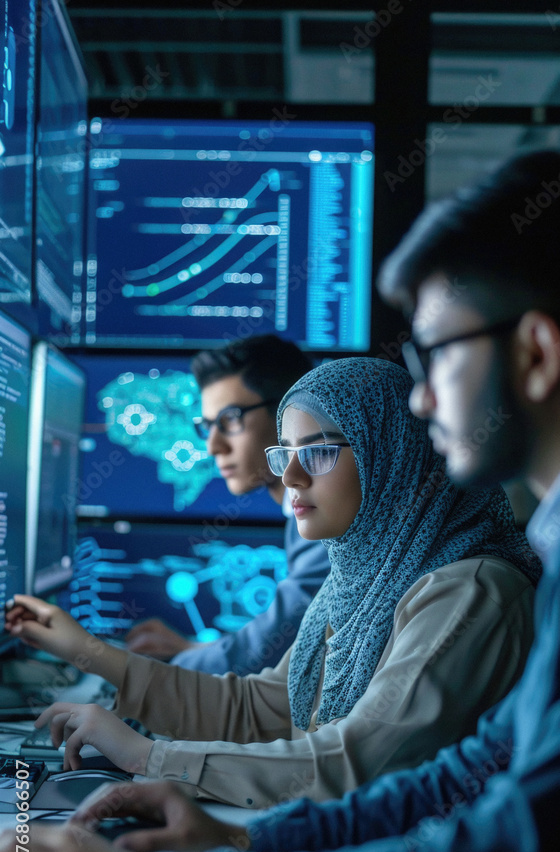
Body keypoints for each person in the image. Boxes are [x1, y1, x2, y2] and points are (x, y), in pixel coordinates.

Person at [4, 356, 538, 810]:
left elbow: (357, 765)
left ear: (393, 456)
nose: (290, 477)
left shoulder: (471, 591)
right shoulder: (357, 580)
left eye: (321, 450)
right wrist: (90, 656)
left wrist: (146, 758)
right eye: (286, 452)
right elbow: (261, 707)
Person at [125, 333, 332, 675]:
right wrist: (194, 650)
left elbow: (278, 650)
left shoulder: (329, 520)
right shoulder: (301, 515)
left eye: (230, 420)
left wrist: (132, 671)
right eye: (207, 427)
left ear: (292, 413)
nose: (213, 446)